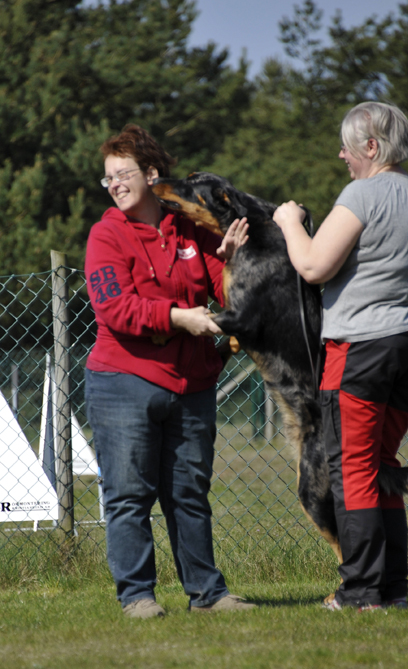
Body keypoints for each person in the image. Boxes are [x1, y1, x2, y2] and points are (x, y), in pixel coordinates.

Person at [273, 102, 408, 611]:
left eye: (348, 145)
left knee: (352, 468)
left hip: (364, 346)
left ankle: (362, 590)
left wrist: (289, 221)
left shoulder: (363, 193)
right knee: (381, 465)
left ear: (371, 147)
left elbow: (314, 265)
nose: (341, 154)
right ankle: (393, 588)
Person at [84, 124, 254, 618]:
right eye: (108, 178)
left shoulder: (191, 228)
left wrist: (231, 262)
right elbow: (115, 308)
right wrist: (177, 317)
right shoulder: (106, 234)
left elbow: (227, 298)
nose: (114, 184)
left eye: (123, 174)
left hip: (192, 382)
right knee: (129, 496)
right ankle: (137, 595)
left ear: (152, 174)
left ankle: (209, 594)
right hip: (123, 382)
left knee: (188, 495)